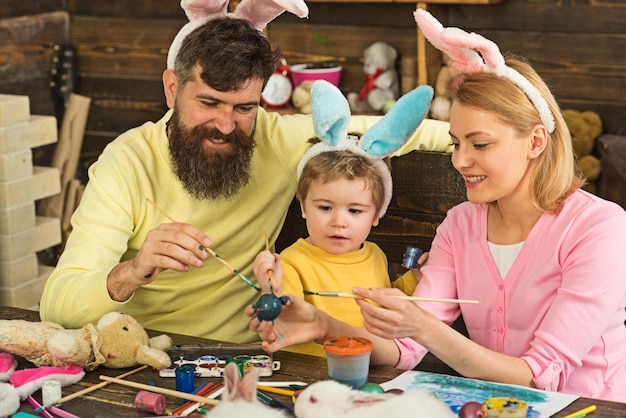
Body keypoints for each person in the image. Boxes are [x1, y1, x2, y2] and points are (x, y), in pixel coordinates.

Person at [248, 10, 626, 401]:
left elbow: (537, 377)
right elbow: (404, 352)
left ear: (535, 142)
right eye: (455, 143)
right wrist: (323, 325)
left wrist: (423, 326)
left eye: (480, 144)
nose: (460, 161)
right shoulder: (460, 225)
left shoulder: (600, 228)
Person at [39, 16, 451, 344]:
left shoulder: (280, 137)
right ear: (171, 88)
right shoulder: (127, 161)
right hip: (144, 352)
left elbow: (396, 130)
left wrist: (491, 145)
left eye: (244, 107)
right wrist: (134, 270)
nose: (224, 124)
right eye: (208, 102)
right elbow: (57, 307)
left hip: (248, 357)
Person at [253, 80, 429, 356]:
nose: (339, 221)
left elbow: (383, 300)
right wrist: (270, 286)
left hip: (367, 372)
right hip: (310, 377)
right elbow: (283, 314)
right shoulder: (292, 262)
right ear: (303, 206)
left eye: (355, 211)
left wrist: (413, 280)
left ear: (376, 214)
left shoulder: (375, 255)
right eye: (325, 208)